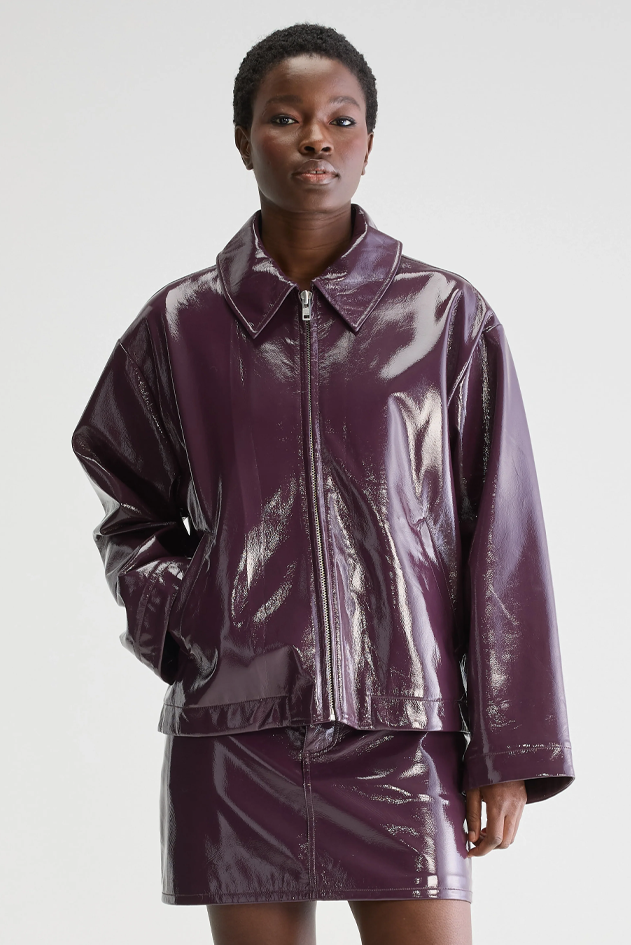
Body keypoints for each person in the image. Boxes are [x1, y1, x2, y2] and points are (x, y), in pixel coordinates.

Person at [71, 22, 575, 945]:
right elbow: (125, 498)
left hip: (405, 730)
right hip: (235, 731)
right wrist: (191, 618)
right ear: (242, 140)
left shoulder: (445, 317)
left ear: (368, 143)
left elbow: (504, 536)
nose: (315, 139)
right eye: (285, 118)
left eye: (341, 120)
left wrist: (509, 744)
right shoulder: (180, 323)